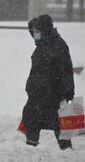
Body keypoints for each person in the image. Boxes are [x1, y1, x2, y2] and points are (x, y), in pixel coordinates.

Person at [20, 14, 75, 150]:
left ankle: (68, 156)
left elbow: (66, 71)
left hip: (53, 96)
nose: (35, 34)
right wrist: (31, 88)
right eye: (33, 32)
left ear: (45, 30)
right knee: (31, 123)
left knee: (61, 128)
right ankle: (30, 151)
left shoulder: (58, 45)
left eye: (37, 31)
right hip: (37, 95)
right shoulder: (41, 46)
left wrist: (67, 94)